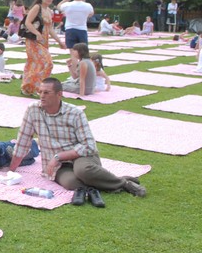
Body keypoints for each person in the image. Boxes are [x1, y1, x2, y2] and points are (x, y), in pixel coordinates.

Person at [9, 78, 146, 205]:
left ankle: (125, 184)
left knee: (83, 171)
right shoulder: (33, 110)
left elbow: (89, 145)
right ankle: (112, 179)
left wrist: (59, 156)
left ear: (59, 94)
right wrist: (11, 171)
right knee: (72, 183)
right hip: (58, 166)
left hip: (80, 156)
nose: (42, 96)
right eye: (40, 92)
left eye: (46, 92)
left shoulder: (75, 113)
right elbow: (23, 141)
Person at [21, 0, 65, 97]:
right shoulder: (37, 7)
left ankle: (29, 87)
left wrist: (59, 41)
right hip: (33, 41)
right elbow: (27, 22)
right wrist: (36, 33)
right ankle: (38, 88)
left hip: (44, 41)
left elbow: (50, 29)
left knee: (36, 65)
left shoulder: (49, 11)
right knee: (47, 63)